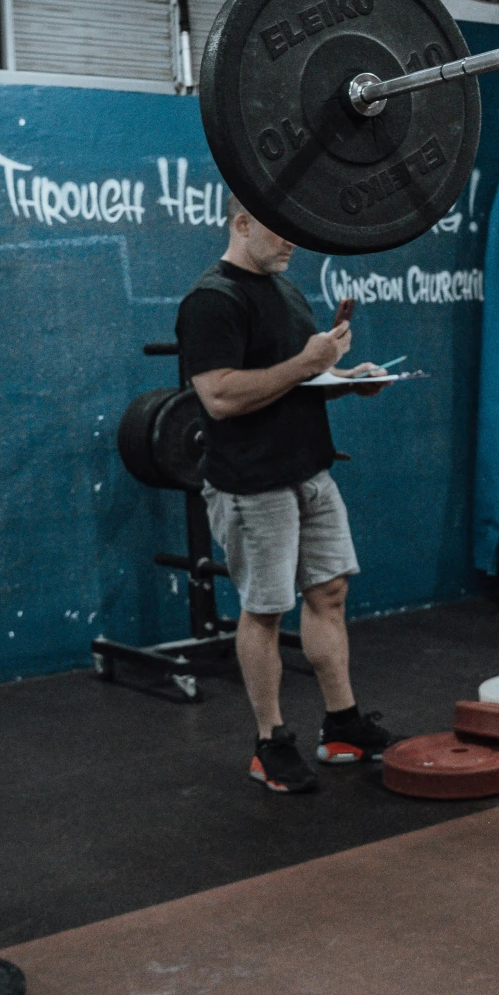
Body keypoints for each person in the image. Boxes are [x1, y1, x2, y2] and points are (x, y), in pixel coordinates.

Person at [177, 199, 394, 794]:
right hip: (251, 482)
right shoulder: (211, 299)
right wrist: (307, 363)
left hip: (309, 470)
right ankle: (269, 743)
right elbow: (219, 397)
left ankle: (343, 724)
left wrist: (348, 381)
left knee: (329, 592)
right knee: (266, 609)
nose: (293, 241)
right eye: (280, 229)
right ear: (241, 223)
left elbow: (300, 384)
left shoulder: (287, 292)